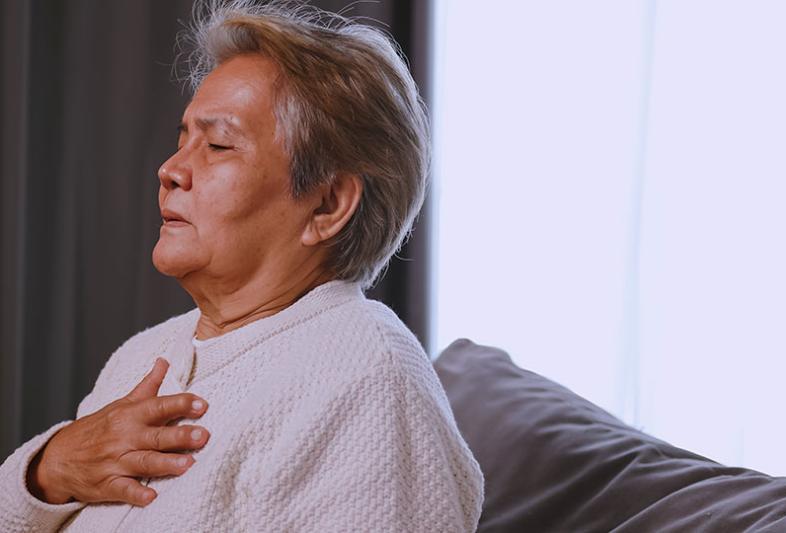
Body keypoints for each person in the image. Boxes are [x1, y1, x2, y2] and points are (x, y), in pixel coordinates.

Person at [0, 1, 484, 531]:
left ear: (327, 205)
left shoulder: (366, 377)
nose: (170, 170)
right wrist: (47, 472)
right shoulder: (141, 357)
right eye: (182, 140)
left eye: (219, 145)